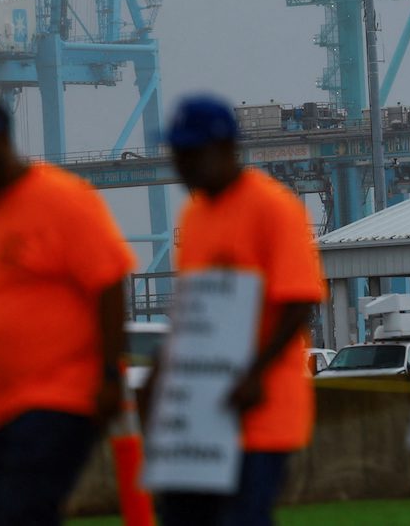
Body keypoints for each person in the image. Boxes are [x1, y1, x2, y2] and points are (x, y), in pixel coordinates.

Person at [0, 95, 135, 526]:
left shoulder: (64, 200)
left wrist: (111, 373)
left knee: (20, 512)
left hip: (62, 397)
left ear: (0, 143)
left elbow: (109, 283)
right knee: (13, 510)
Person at [153, 95, 325, 526]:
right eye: (177, 153)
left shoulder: (273, 208)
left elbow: (300, 299)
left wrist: (255, 372)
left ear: (224, 148)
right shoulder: (193, 216)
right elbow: (195, 310)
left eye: (190, 153)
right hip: (200, 417)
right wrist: (164, 374)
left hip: (259, 412)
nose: (182, 164)